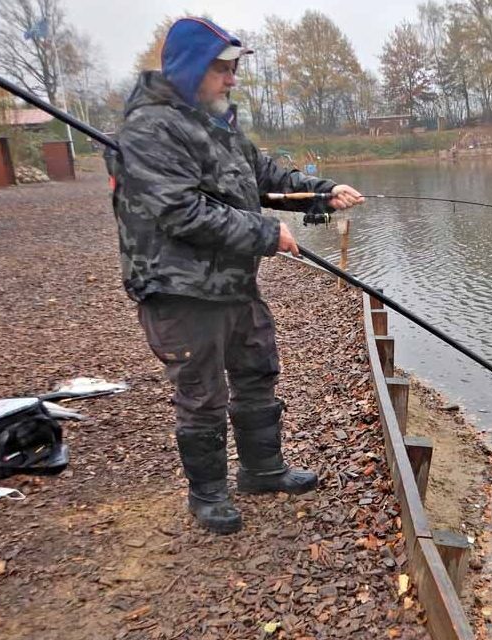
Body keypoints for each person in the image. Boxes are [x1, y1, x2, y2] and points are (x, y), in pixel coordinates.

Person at [106, 16, 364, 534]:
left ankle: (263, 469)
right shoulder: (150, 128)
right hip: (178, 288)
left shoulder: (216, 122)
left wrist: (320, 189)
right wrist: (268, 235)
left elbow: (262, 176)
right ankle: (208, 496)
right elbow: (181, 212)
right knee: (202, 393)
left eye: (234, 67)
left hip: (231, 282)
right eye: (222, 68)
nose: (232, 79)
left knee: (256, 369)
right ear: (190, 68)